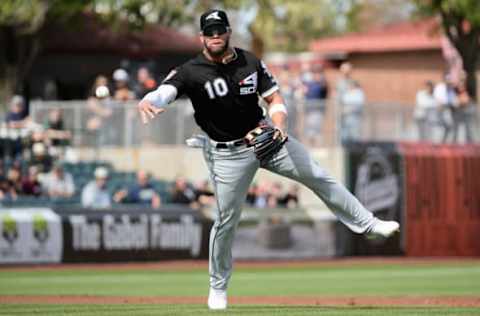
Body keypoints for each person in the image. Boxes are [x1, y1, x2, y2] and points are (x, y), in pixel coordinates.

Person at [137, 9, 399, 310]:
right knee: (225, 221)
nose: (215, 36)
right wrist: (150, 99)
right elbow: (166, 91)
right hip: (228, 154)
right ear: (201, 37)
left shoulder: (249, 62)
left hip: (267, 138)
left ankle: (369, 224)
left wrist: (280, 127)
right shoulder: (191, 70)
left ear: (228, 32)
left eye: (219, 30)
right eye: (209, 32)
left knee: (317, 174)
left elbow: (275, 99)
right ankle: (217, 286)